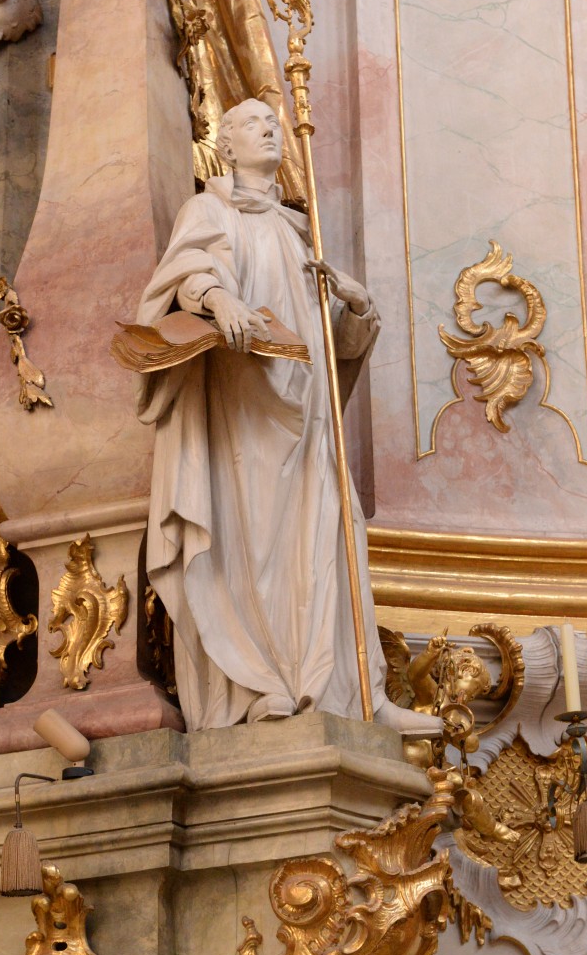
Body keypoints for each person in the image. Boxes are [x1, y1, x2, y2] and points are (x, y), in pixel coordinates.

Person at [135, 97, 435, 734]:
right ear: (225, 141)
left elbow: (328, 345)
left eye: (273, 123)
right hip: (243, 415)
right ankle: (259, 683)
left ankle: (354, 691)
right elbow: (187, 271)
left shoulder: (302, 231)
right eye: (252, 123)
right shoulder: (210, 209)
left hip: (309, 417)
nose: (269, 129)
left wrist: (355, 308)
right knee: (255, 545)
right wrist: (219, 298)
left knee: (328, 540)